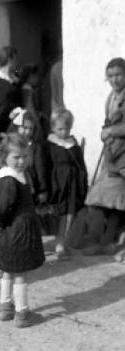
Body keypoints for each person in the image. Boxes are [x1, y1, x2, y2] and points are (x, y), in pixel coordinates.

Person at [0, 132, 45, 327]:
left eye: (24, 156)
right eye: (16, 157)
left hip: (18, 228)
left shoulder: (20, 175)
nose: (21, 161)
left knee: (8, 269)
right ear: (5, 156)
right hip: (17, 230)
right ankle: (22, 313)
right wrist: (3, 222)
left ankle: (5, 307)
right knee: (19, 271)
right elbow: (5, 207)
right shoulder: (8, 179)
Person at [83, 58, 125, 256]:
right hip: (113, 154)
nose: (114, 80)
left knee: (118, 198)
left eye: (118, 75)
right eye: (110, 76)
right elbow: (108, 124)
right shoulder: (111, 98)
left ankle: (111, 242)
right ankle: (106, 241)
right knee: (108, 198)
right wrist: (104, 132)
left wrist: (111, 132)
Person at [46, 108, 88, 259]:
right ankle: (54, 241)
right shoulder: (50, 145)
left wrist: (83, 181)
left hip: (72, 185)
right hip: (56, 184)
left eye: (67, 128)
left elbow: (81, 165)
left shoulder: (73, 145)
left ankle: (61, 245)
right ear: (53, 128)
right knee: (55, 214)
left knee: (69, 214)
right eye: (60, 128)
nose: (63, 132)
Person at [0, 46, 22, 134]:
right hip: (2, 122)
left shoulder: (16, 79)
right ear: (9, 59)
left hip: (17, 121)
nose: (17, 62)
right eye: (15, 59)